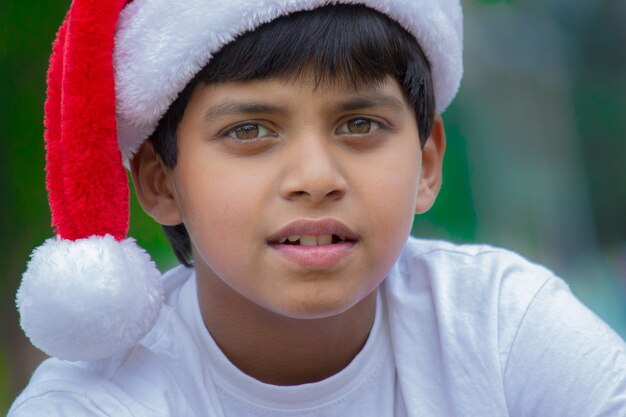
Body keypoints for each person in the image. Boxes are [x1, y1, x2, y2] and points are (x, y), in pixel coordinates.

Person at [9, 0, 626, 415]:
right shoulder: (91, 402)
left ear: (427, 164)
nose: (315, 178)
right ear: (160, 181)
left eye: (359, 123)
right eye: (250, 131)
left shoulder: (500, 325)